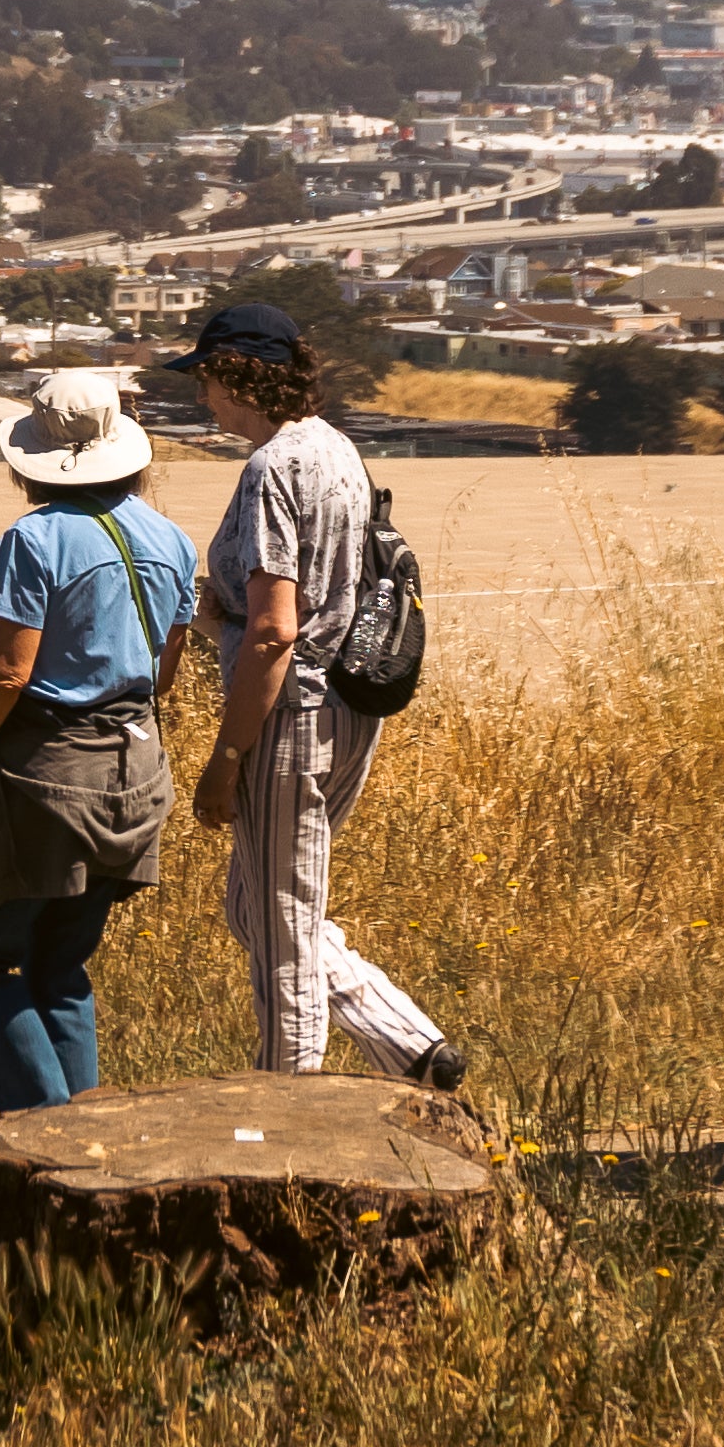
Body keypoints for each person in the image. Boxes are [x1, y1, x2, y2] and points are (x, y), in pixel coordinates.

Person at [0, 369, 195, 1109]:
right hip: (136, 766)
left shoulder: (33, 540)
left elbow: (7, 672)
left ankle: (44, 1145)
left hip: (46, 776)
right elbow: (168, 668)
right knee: (61, 966)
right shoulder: (169, 538)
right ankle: (87, 1145)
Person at [192, 301, 466, 1094]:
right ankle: (410, 1043)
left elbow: (279, 628)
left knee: (278, 925)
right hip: (348, 702)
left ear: (241, 376)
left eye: (208, 378)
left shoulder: (271, 467)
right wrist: (226, 621)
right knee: (258, 906)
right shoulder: (338, 448)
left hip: (291, 713)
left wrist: (227, 752)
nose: (203, 398)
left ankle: (287, 1111)